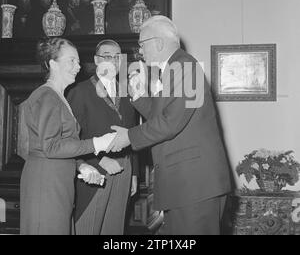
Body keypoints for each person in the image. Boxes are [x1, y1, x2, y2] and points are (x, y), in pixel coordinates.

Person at [106, 16, 232, 235]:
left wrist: (128, 137)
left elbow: (171, 122)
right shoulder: (176, 68)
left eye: (142, 44)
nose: (140, 52)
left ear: (159, 42)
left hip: (194, 185)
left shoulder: (185, 66)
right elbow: (163, 115)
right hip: (187, 186)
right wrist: (137, 96)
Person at [20, 37, 116, 235]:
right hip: (46, 186)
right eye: (72, 60)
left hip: (58, 184)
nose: (78, 66)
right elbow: (52, 146)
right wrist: (97, 143)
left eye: (78, 61)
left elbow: (64, 143)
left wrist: (82, 165)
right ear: (52, 63)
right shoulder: (47, 96)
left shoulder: (59, 96)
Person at [67, 39, 138, 235]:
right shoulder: (79, 91)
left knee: (114, 229)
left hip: (124, 168)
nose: (113, 61)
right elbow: (71, 138)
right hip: (95, 171)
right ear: (97, 60)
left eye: (117, 57)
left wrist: (134, 173)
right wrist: (98, 159)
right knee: (87, 228)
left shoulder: (127, 92)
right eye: (108, 56)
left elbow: (133, 133)